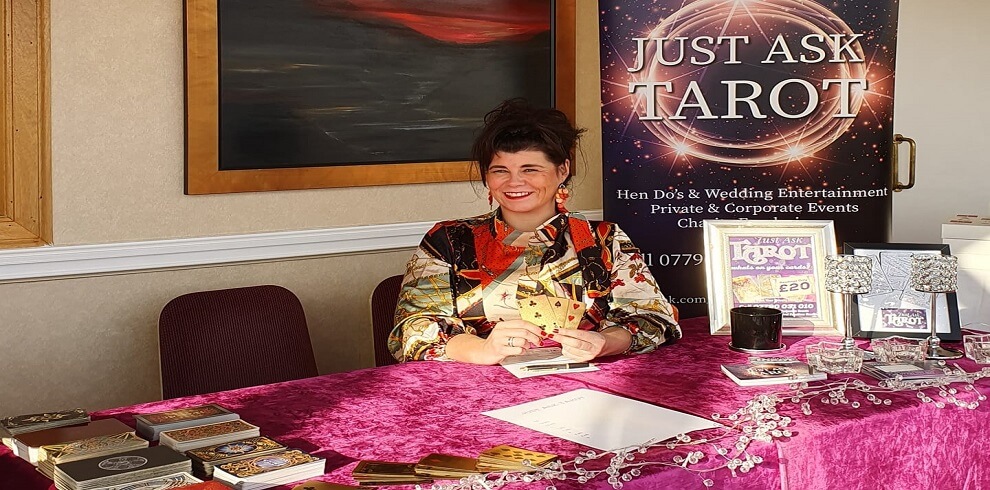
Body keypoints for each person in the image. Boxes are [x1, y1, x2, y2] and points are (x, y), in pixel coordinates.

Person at [388, 99, 680, 364]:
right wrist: (482, 349)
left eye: (530, 170)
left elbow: (653, 318)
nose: (514, 182)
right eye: (500, 170)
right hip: (476, 393)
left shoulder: (603, 240)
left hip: (586, 391)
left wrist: (603, 343)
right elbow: (411, 329)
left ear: (562, 170)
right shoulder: (449, 240)